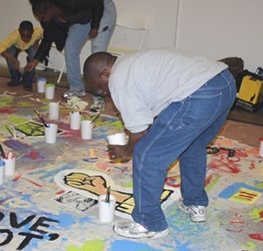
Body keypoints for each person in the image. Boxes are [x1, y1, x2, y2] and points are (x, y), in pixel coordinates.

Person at [83, 49, 237, 239]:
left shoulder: (118, 79)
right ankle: (194, 203)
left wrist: (125, 152)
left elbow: (139, 134)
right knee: (192, 144)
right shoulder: (131, 61)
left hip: (199, 94)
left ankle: (149, 222)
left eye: (100, 87)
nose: (104, 92)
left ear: (105, 74)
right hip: (225, 83)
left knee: (147, 156)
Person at [27, 0, 116, 99]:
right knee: (71, 48)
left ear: (49, 9)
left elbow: (96, 1)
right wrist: (35, 60)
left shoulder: (70, 0)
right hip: (83, 17)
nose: (39, 19)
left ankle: (100, 96)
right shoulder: (48, 19)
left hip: (100, 8)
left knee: (98, 54)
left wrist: (95, 26)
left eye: (40, 16)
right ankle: (76, 89)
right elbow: (48, 37)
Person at [0, 20, 43, 91]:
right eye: (23, 37)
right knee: (9, 55)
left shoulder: (37, 32)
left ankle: (27, 82)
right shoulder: (14, 36)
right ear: (19, 32)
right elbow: (0, 48)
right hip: (16, 46)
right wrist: (13, 59)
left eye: (28, 37)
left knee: (34, 55)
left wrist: (36, 43)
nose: (26, 39)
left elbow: (41, 35)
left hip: (30, 46)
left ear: (32, 32)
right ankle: (16, 78)